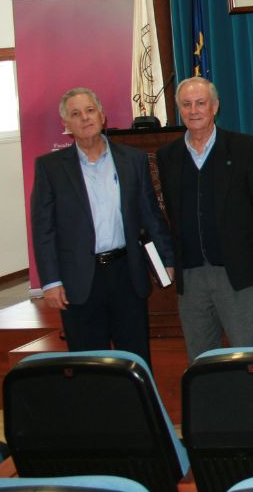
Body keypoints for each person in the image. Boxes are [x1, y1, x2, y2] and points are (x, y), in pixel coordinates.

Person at [30, 87, 174, 366]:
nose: (85, 118)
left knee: (134, 359)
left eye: (90, 110)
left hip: (126, 274)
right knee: (88, 363)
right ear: (65, 125)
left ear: (103, 116)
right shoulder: (50, 168)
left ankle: (137, 411)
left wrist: (167, 258)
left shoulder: (132, 159)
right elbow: (43, 229)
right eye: (75, 114)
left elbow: (150, 213)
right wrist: (50, 281)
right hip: (78, 280)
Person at [157, 77, 253, 362]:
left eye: (200, 103)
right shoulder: (167, 156)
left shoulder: (246, 148)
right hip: (191, 276)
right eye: (186, 104)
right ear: (179, 110)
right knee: (201, 360)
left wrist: (244, 249)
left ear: (215, 106)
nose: (194, 110)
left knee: (250, 358)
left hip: (236, 274)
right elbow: (170, 212)